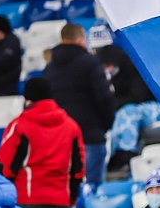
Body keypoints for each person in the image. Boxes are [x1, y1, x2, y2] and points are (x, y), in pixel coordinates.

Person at [0, 77, 85, 208]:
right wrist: (72, 198)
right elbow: (78, 169)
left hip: (28, 198)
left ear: (28, 99)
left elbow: (5, 166)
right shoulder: (71, 126)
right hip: (59, 199)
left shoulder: (19, 125)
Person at [44, 23, 116, 188]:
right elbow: (105, 98)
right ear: (80, 40)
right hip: (90, 134)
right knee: (93, 189)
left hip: (61, 139)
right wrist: (105, 126)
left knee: (66, 189)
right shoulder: (91, 63)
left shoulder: (49, 69)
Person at [96, 43, 160, 174]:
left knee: (127, 113)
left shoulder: (135, 70)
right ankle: (114, 154)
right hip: (137, 108)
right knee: (119, 114)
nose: (107, 69)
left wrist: (115, 104)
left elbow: (137, 96)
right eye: (104, 67)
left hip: (159, 108)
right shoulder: (116, 77)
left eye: (109, 65)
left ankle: (126, 154)